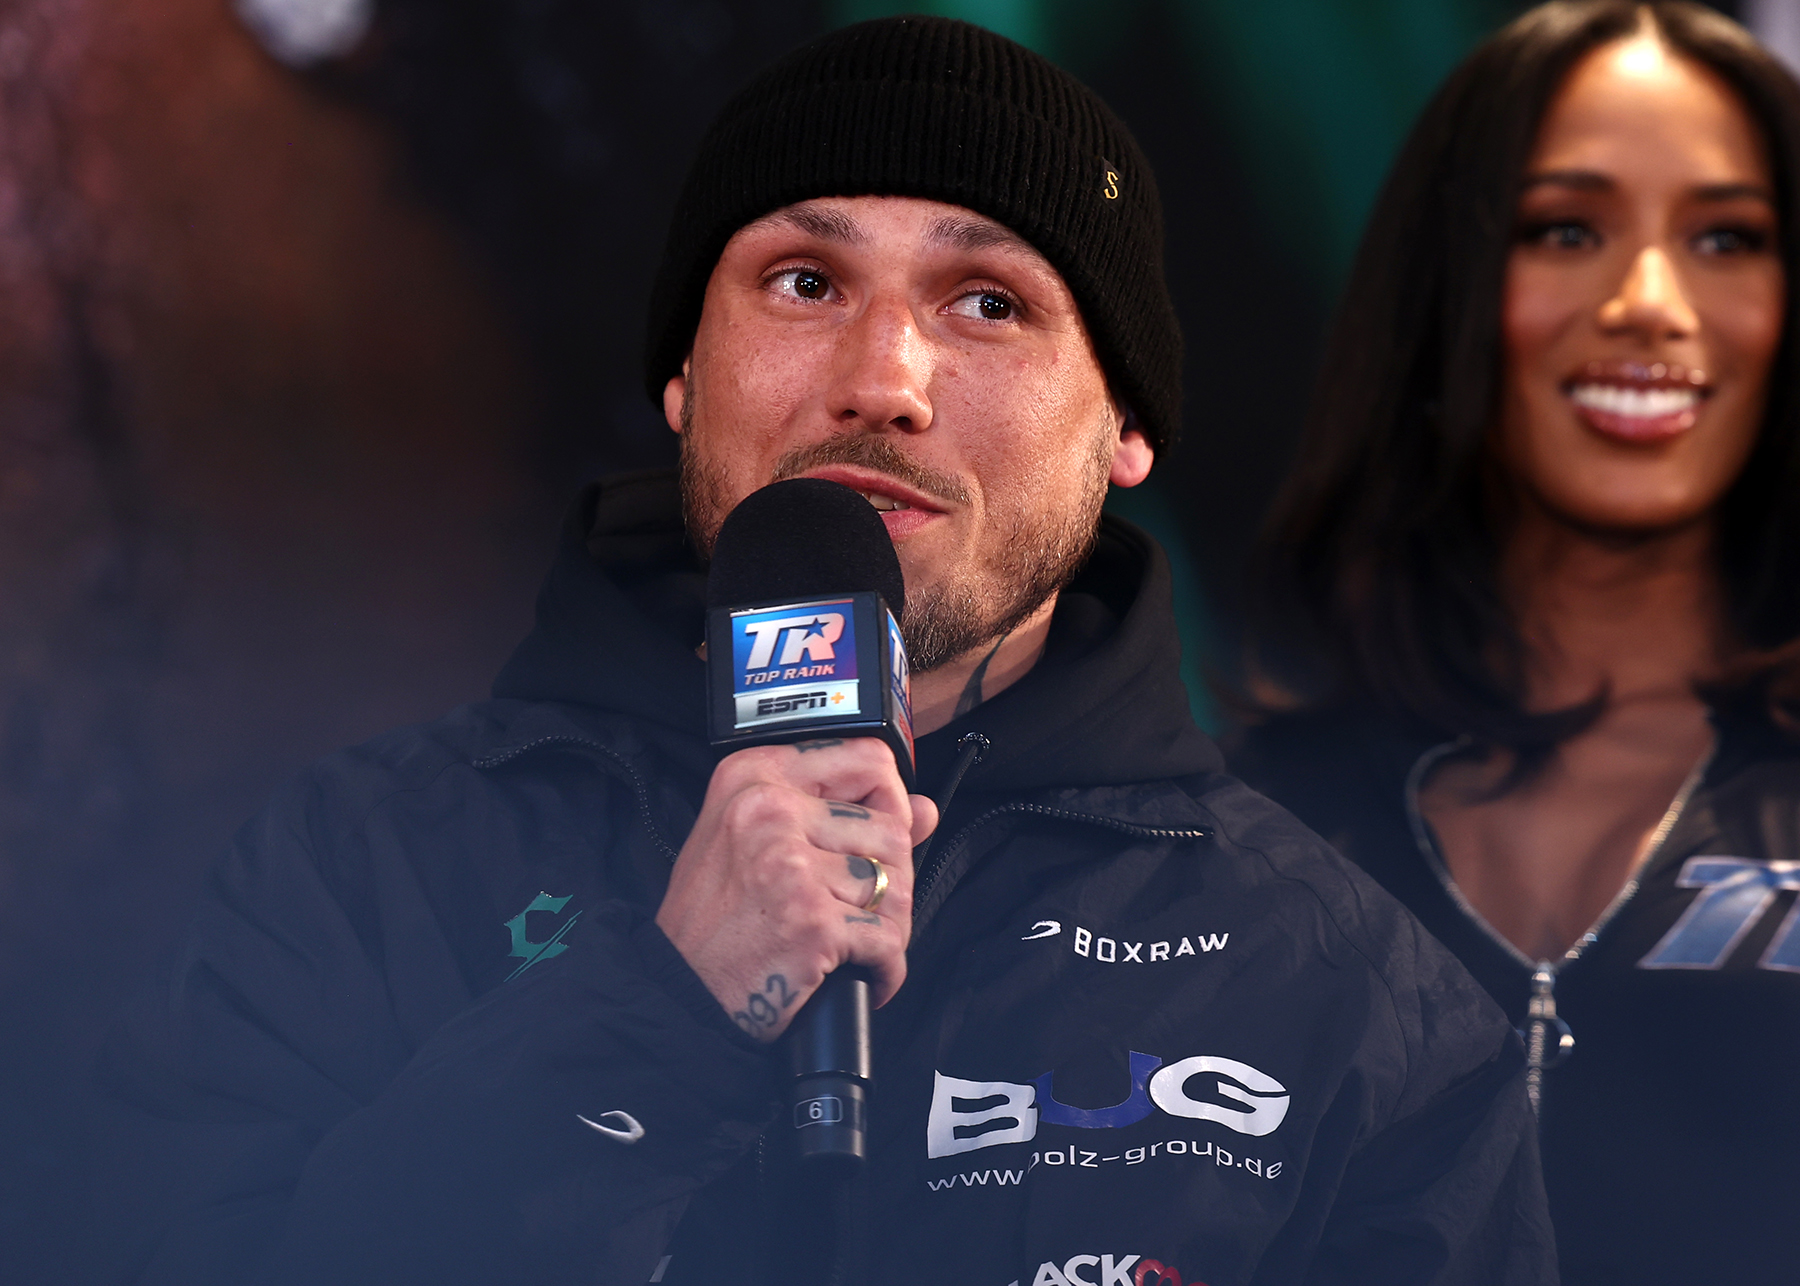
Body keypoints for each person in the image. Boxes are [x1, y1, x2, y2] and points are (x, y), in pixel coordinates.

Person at [93, 17, 1553, 1286]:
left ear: (1128, 429)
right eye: (804, 281)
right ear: (682, 377)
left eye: (989, 302)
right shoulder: (348, 874)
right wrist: (653, 1017)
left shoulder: (1359, 1000)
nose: (882, 379)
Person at [1232, 3, 1800, 1283]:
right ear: (1444, 289)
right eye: (1565, 228)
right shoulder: (1252, 819)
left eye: (1726, 237)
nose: (1648, 302)